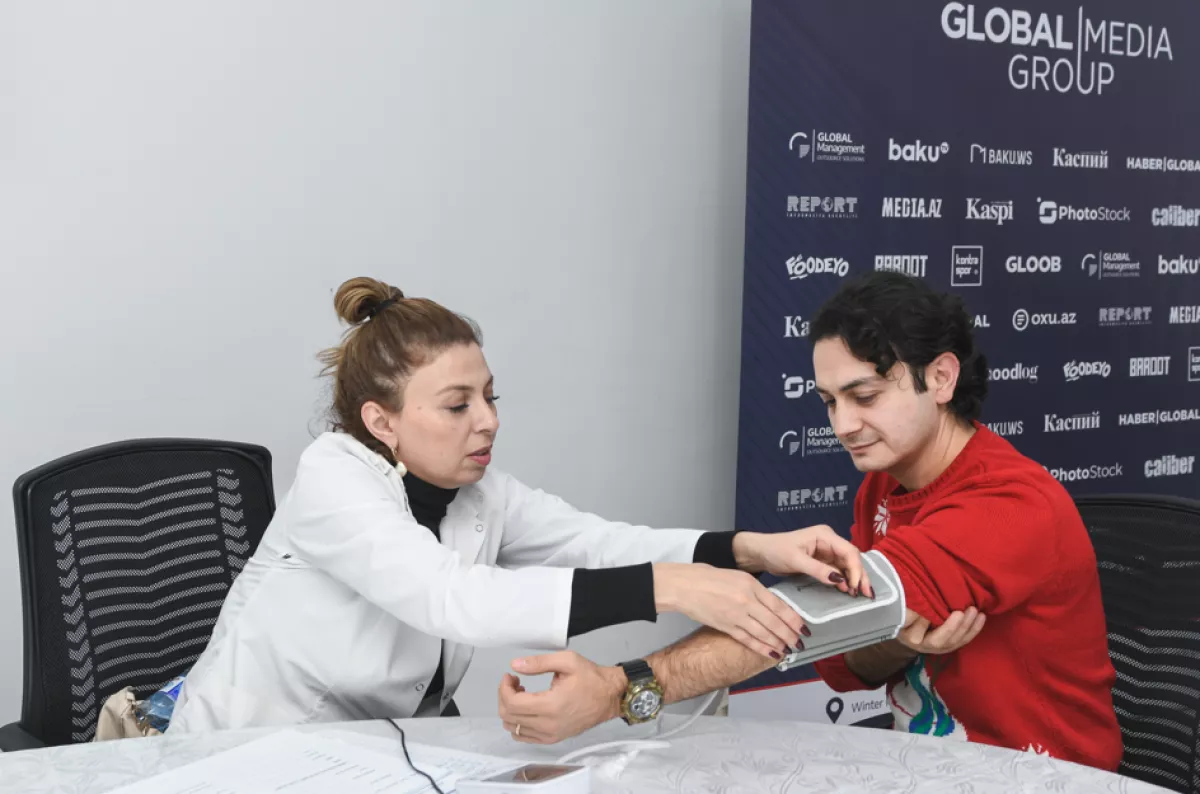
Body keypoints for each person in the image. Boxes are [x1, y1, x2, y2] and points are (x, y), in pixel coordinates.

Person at [166, 277, 868, 733]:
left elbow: (597, 543)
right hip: (246, 757)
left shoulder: (478, 493)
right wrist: (674, 587)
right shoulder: (333, 481)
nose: (488, 420)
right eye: (458, 405)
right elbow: (453, 599)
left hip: (380, 754)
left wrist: (750, 548)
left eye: (490, 396)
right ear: (381, 422)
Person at [498, 272, 1123, 772]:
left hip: (1040, 776)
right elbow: (846, 662)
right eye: (829, 401)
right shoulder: (883, 484)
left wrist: (618, 689)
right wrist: (899, 639)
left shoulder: (1007, 503)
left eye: (865, 395)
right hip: (927, 765)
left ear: (940, 377)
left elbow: (806, 625)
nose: (843, 425)